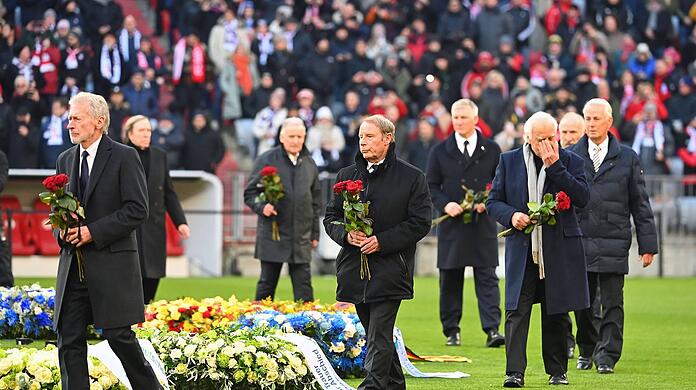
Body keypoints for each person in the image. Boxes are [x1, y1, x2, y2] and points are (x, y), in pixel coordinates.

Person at [54, 92, 162, 389]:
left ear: (99, 121)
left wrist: (93, 232)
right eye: (69, 118)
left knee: (119, 337)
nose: (69, 125)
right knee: (69, 339)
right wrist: (62, 232)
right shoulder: (64, 159)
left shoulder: (125, 156)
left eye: (76, 118)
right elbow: (57, 213)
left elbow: (137, 209)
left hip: (112, 266)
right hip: (73, 268)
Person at [324, 115, 432, 390]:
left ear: (388, 138)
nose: (363, 141)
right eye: (361, 136)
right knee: (375, 332)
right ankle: (395, 384)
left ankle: (370, 386)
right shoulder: (345, 176)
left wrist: (382, 241)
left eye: (370, 136)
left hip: (391, 269)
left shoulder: (412, 177)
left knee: (380, 333)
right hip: (354, 269)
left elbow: (420, 223)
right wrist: (347, 236)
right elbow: (330, 218)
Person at [487, 111, 590, 387]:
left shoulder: (571, 161)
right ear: (527, 137)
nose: (546, 144)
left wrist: (556, 167)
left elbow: (582, 197)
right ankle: (514, 373)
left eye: (550, 138)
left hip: (558, 251)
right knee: (516, 312)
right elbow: (493, 201)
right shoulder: (509, 161)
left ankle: (557, 371)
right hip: (523, 250)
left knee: (556, 311)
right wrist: (511, 216)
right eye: (540, 139)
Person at [571, 98, 657, 374]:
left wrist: (648, 245)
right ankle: (586, 349)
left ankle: (607, 356)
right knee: (582, 304)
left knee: (612, 304)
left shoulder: (628, 157)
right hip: (580, 238)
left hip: (614, 239)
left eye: (597, 119)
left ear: (609, 121)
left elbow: (640, 203)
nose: (591, 123)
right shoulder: (571, 155)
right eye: (588, 118)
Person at [426, 99, 504, 348]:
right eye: (455, 117)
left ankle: (492, 330)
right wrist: (445, 204)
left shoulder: (492, 149)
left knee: (487, 276)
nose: (458, 121)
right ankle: (452, 331)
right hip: (452, 224)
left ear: (475, 119)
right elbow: (431, 185)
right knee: (450, 278)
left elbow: (499, 183)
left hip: (482, 224)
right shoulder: (439, 150)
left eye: (463, 117)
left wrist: (488, 202)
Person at [244, 117, 321, 302]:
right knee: (266, 286)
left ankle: (307, 328)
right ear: (281, 137)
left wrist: (314, 234)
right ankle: (259, 326)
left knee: (304, 290)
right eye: (291, 136)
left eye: (300, 136)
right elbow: (250, 193)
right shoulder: (267, 159)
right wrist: (263, 207)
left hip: (301, 237)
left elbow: (315, 202)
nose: (296, 141)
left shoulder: (310, 163)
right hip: (273, 234)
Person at [122, 115, 190, 304]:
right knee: (130, 273)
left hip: (154, 224)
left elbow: (169, 192)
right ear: (129, 134)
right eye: (141, 131)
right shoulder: (121, 154)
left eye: (149, 131)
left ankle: (147, 312)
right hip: (128, 225)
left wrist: (180, 222)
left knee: (153, 273)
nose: (146, 135)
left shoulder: (160, 155)